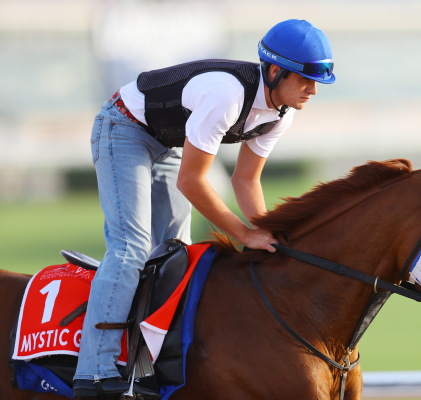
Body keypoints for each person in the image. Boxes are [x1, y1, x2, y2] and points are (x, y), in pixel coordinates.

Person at [72, 19, 335, 398]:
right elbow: (191, 182)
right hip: (123, 127)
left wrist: (265, 234)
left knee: (175, 255)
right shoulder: (226, 95)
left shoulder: (282, 111)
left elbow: (246, 180)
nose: (312, 90)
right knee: (131, 248)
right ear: (276, 71)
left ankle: (147, 366)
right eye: (304, 79)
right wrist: (243, 233)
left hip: (167, 141)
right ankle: (93, 373)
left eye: (318, 82)